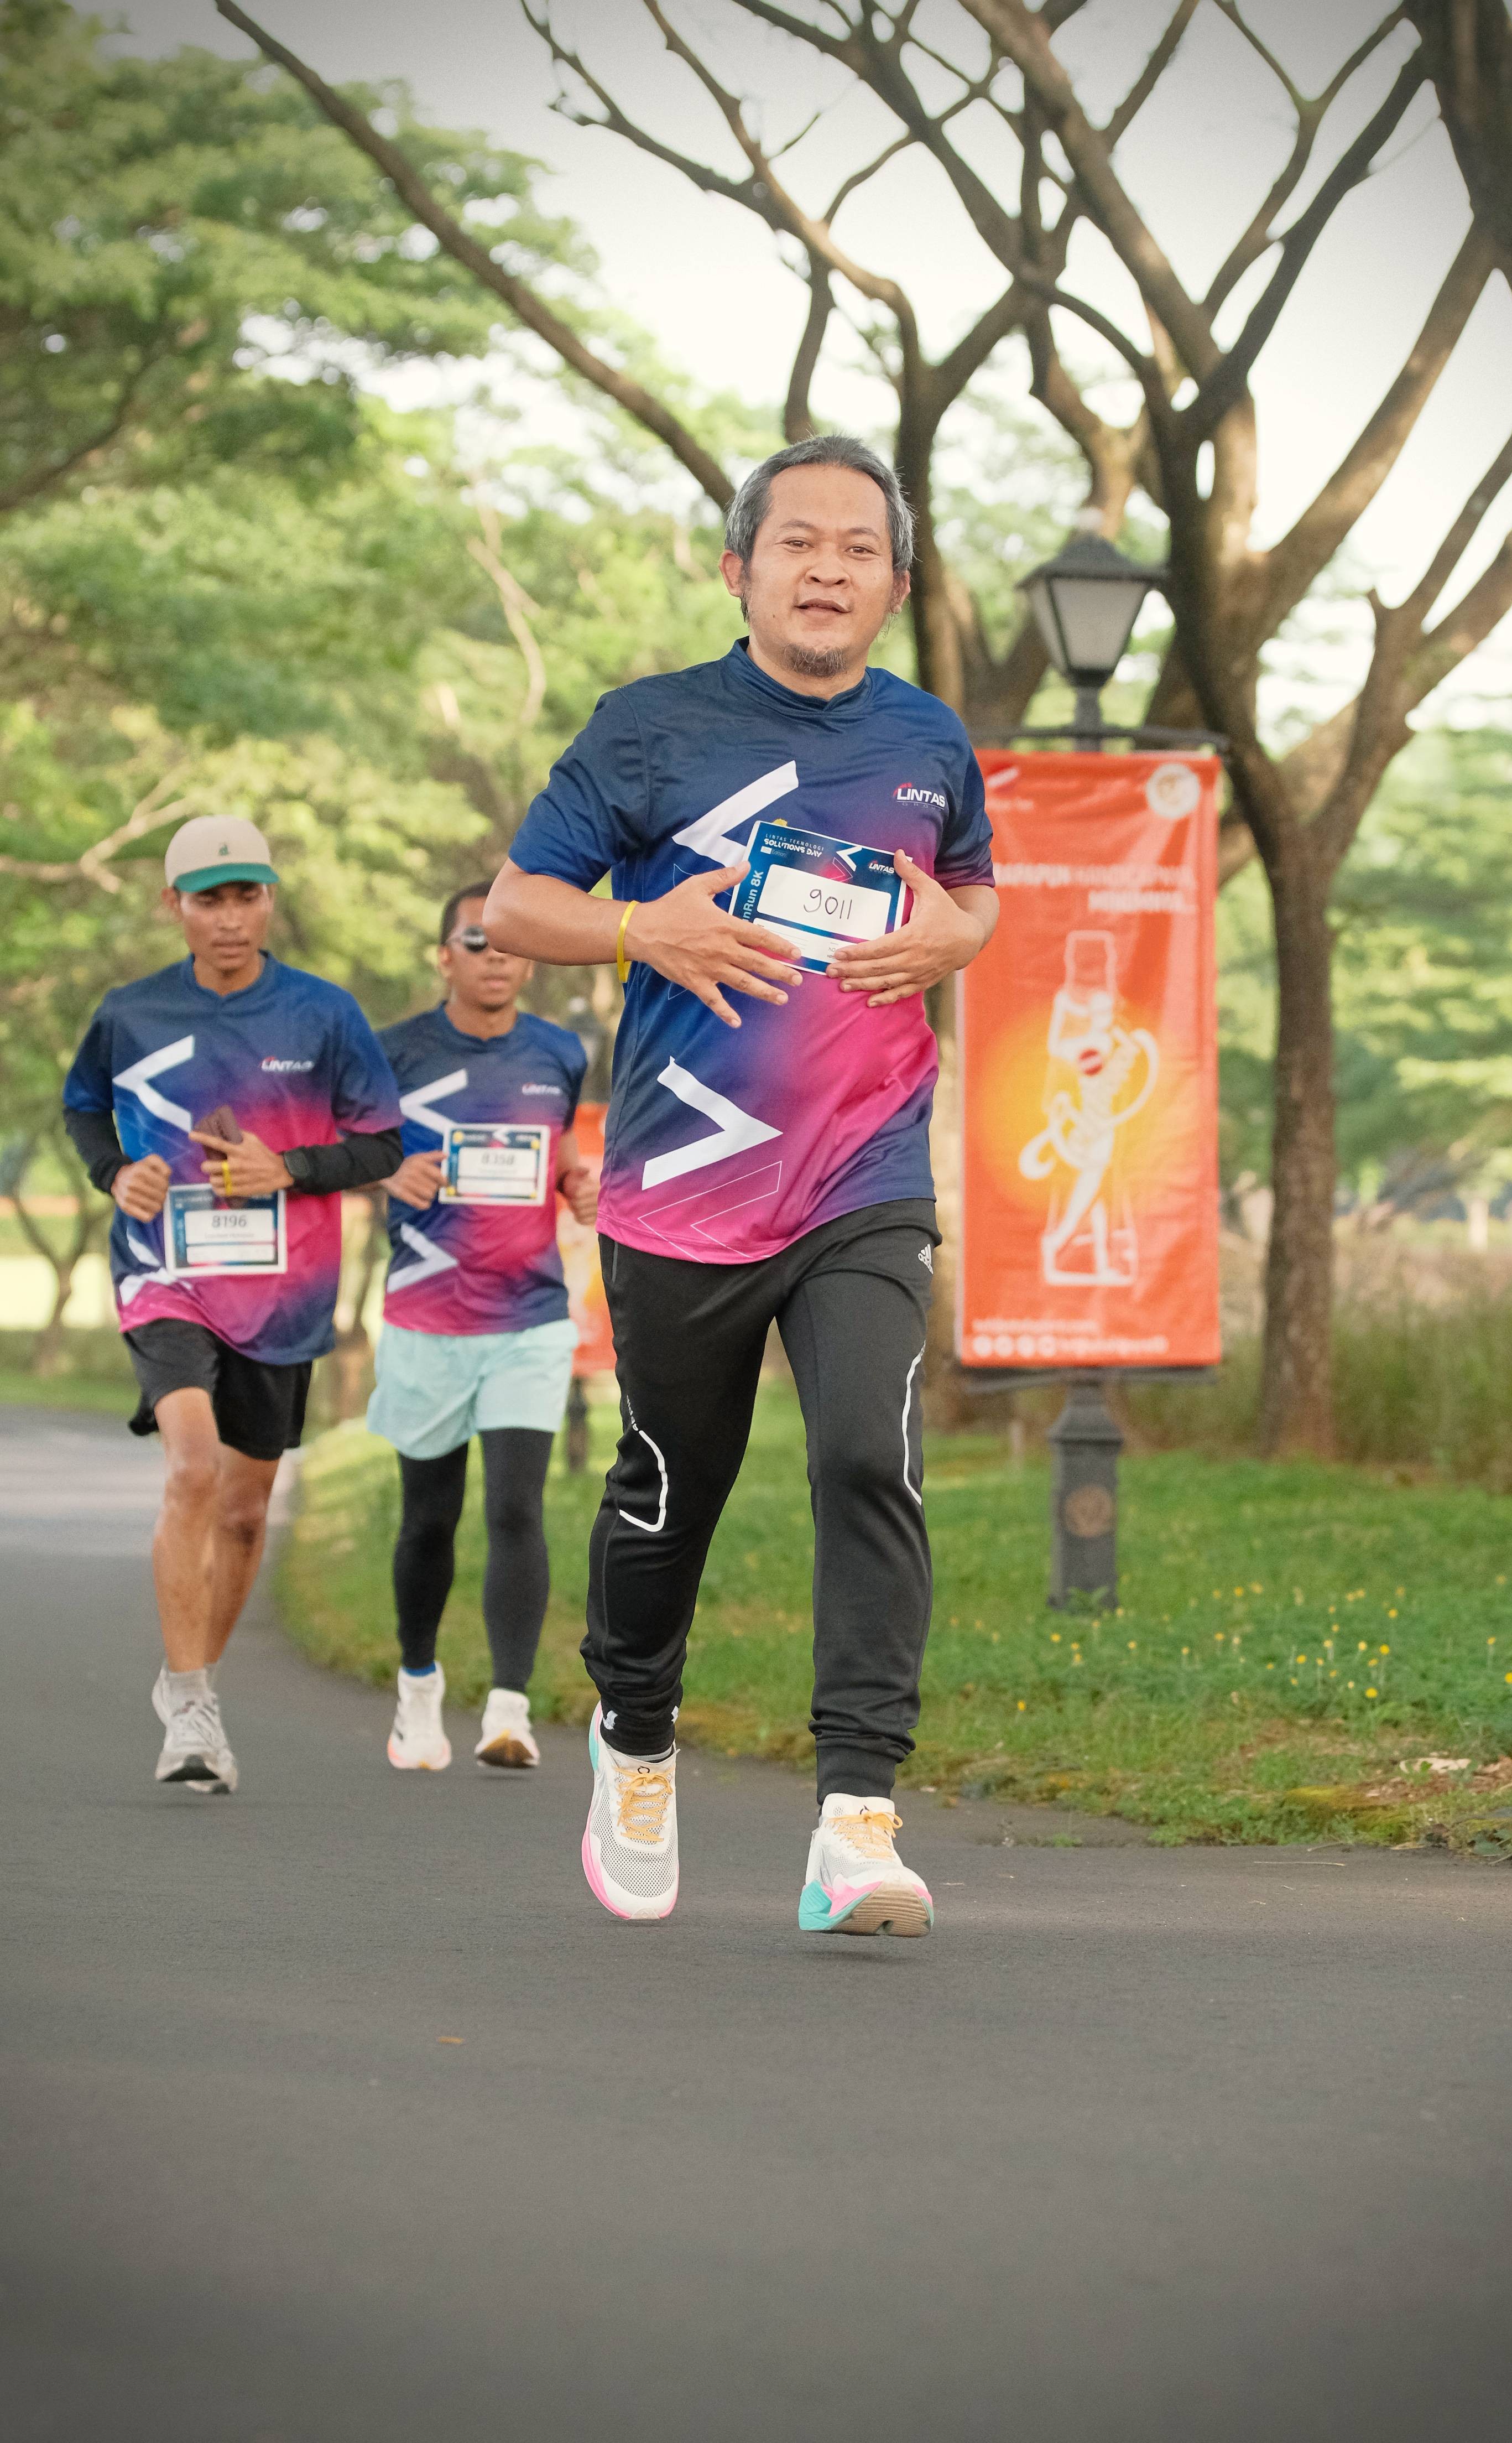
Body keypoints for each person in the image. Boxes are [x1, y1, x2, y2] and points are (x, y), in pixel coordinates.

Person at [484, 433, 999, 1935]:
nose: (826, 568)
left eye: (858, 548)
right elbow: (517, 904)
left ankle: (857, 1818)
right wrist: (641, 928)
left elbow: (969, 892)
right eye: (797, 543)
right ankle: (635, 1734)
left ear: (894, 587)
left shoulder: (929, 740)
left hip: (863, 1171)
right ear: (738, 569)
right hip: (685, 1186)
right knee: (670, 1488)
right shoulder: (648, 728)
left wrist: (961, 938)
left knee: (868, 1455)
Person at [61, 815, 402, 1793]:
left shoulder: (325, 1015)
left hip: (284, 1293)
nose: (229, 917)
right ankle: (191, 1705)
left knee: (247, 1514)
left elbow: (382, 1145)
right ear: (173, 905)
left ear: (269, 900)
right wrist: (114, 1171)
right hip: (165, 1275)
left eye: (246, 896)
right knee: (193, 1467)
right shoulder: (131, 1014)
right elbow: (85, 1106)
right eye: (208, 899)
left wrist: (287, 1168)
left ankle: (195, 1686)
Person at [367, 883, 596, 1774]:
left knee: (514, 1506)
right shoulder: (394, 1053)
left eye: (510, 943)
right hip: (427, 1316)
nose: (496, 957)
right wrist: (387, 1173)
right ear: (444, 956)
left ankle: (509, 1709)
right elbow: (349, 1152)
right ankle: (418, 1690)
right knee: (430, 1519)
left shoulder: (558, 1052)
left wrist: (577, 1185)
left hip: (529, 1317)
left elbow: (560, 1153)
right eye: (476, 941)